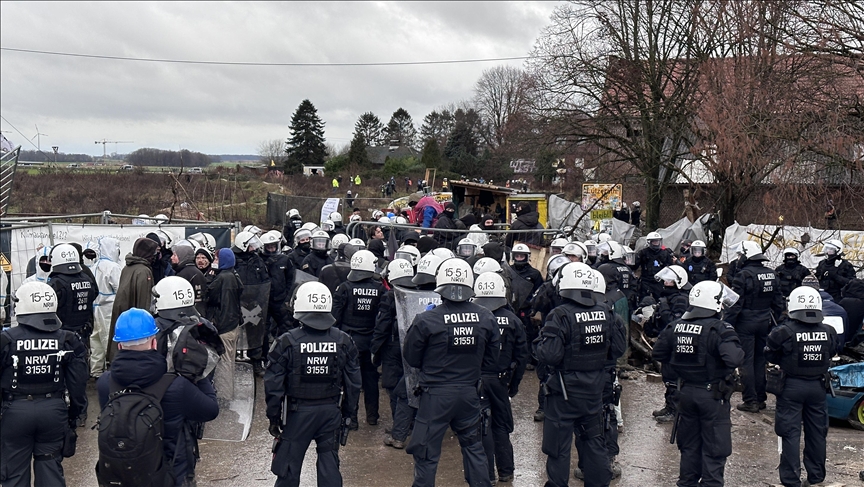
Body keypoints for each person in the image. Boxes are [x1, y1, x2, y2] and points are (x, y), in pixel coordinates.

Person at [403, 258, 500, 487]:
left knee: (426, 454)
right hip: (469, 392)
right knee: (473, 447)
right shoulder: (486, 317)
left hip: (435, 395)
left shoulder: (427, 319)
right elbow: (492, 359)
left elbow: (411, 357)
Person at [98, 308, 219, 486]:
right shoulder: (176, 386)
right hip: (168, 475)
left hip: (122, 475)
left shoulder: (105, 383)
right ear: (154, 343)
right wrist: (198, 374)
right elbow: (211, 410)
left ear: (119, 345)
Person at [534, 262, 625, 487]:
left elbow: (551, 355)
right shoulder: (606, 312)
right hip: (595, 388)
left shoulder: (560, 314)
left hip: (564, 393)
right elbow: (618, 349)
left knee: (558, 448)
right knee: (593, 441)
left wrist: (539, 344)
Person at [265, 281, 361, 487]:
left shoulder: (286, 342)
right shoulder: (344, 341)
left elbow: (273, 386)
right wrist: (349, 414)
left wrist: (274, 417)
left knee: (288, 468)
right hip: (330, 412)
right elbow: (354, 383)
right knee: (329, 467)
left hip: (298, 414)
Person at [652, 280, 744, 487]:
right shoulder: (720, 329)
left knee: (690, 446)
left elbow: (658, 353)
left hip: (685, 393)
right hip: (712, 395)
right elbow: (734, 359)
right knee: (715, 448)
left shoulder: (675, 326)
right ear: (715, 303)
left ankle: (687, 483)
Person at [0, 282, 88, 487]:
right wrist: (75, 415)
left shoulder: (6, 340)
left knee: (14, 473)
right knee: (50, 469)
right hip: (53, 411)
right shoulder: (67, 339)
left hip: (14, 412)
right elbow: (78, 384)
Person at [765, 286, 838, 487]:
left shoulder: (783, 331)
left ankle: (790, 480)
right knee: (817, 433)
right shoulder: (828, 331)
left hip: (791, 387)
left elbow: (770, 353)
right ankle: (816, 477)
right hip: (818, 387)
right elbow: (833, 352)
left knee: (790, 433)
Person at [470, 272, 528, 484]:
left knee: (481, 426)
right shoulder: (513, 320)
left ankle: (487, 475)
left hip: (476, 380)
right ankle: (506, 471)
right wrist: (513, 386)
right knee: (501, 426)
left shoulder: (472, 316)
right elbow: (522, 356)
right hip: (501, 380)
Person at [724, 240, 784, 413]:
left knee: (746, 362)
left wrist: (727, 326)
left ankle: (750, 401)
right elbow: (779, 303)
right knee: (760, 361)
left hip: (746, 323)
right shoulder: (771, 274)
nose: (739, 258)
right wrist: (775, 321)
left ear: (746, 255)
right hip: (764, 322)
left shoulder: (743, 275)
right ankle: (760, 398)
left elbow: (734, 305)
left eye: (740, 255)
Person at [332, 250, 386, 427]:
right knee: (371, 380)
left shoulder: (344, 288)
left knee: (350, 381)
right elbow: (382, 318)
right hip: (371, 341)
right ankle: (372, 417)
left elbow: (335, 317)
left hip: (349, 341)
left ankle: (351, 418)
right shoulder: (379, 289)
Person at [371, 259, 417, 449]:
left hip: (393, 346)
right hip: (414, 346)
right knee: (411, 386)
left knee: (395, 389)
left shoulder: (390, 296)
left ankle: (400, 428)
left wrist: (375, 349)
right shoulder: (419, 293)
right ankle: (409, 425)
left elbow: (382, 325)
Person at [109, 237, 159, 362]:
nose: (155, 256)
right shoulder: (143, 271)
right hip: (135, 322)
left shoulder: (128, 268)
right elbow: (144, 301)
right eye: (153, 253)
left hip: (122, 315)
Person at [48, 244, 98, 357]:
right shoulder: (87, 278)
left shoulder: (56, 283)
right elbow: (94, 293)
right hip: (83, 333)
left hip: (61, 335)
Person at [207, 248, 243, 398]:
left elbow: (210, 295)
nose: (214, 262)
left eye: (216, 259)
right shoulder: (234, 276)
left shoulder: (222, 278)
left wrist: (210, 278)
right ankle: (228, 392)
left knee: (224, 362)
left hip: (224, 326)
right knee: (230, 360)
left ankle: (224, 396)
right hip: (234, 324)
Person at [88, 237, 122, 378]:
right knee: (109, 339)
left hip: (94, 308)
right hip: (108, 308)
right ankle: (113, 369)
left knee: (95, 340)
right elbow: (119, 288)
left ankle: (96, 371)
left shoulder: (94, 266)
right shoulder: (113, 267)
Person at [171, 241, 208, 317]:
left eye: (175, 255)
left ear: (182, 256)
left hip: (190, 318)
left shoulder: (186, 274)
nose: (172, 257)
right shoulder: (190, 271)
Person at [635, 231, 674, 302]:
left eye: (657, 241)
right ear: (649, 242)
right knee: (643, 299)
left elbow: (669, 267)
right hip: (646, 280)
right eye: (654, 242)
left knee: (660, 299)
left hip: (659, 281)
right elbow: (635, 266)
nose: (656, 243)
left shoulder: (665, 253)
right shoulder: (643, 253)